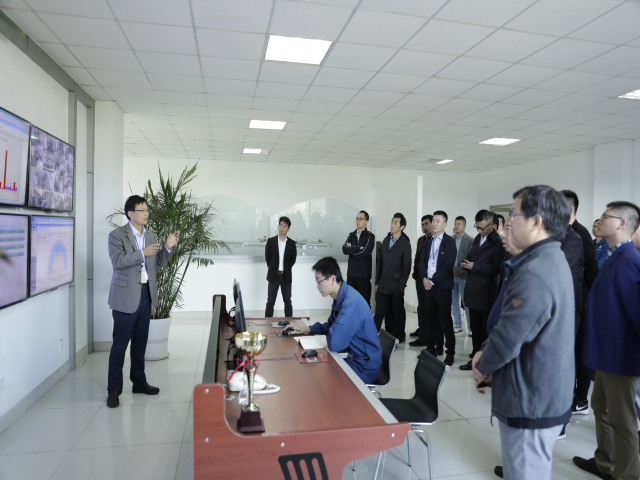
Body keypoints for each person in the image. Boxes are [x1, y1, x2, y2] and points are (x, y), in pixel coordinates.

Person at [473, 185, 574, 480]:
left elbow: (509, 337)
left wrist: (482, 364)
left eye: (513, 215)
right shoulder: (548, 259)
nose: (508, 223)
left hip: (531, 400)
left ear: (535, 221)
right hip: (539, 392)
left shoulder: (535, 271)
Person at [573, 201, 640, 480]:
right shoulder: (615, 254)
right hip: (604, 352)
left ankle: (627, 475)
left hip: (620, 356)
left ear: (622, 223)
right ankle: (605, 463)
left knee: (622, 421)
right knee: (600, 407)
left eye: (605, 216)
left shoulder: (629, 260)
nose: (599, 220)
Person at [107, 195, 179, 409]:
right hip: (125, 297)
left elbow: (157, 262)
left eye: (147, 210)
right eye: (142, 210)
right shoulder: (116, 235)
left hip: (146, 295)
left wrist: (167, 247)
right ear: (131, 213)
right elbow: (117, 261)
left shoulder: (151, 235)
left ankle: (139, 383)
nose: (147, 213)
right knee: (120, 346)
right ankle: (113, 390)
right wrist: (141, 253)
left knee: (140, 344)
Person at [283, 257, 382, 383]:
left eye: (319, 281)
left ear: (332, 279)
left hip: (363, 365)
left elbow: (335, 343)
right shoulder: (342, 296)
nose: (317, 286)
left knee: (317, 378)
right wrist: (305, 329)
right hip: (352, 357)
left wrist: (331, 334)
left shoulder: (350, 303)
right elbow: (331, 325)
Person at [561, 190, 599, 415]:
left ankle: (581, 398)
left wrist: (588, 303)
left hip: (580, 302)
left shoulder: (579, 233)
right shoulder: (561, 232)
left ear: (570, 209)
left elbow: (592, 272)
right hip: (570, 301)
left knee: (579, 350)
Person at [459, 210, 505, 371]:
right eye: (477, 227)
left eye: (482, 228)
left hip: (486, 292)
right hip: (473, 290)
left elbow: (497, 268)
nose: (479, 231)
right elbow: (472, 256)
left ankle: (485, 361)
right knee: (475, 329)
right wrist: (467, 262)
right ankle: (475, 357)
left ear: (492, 225)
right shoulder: (478, 238)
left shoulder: (498, 243)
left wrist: (475, 266)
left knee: (486, 330)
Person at [411, 211, 457, 366]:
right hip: (428, 286)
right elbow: (422, 260)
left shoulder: (450, 242)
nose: (434, 223)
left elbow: (448, 265)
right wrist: (424, 278)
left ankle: (450, 352)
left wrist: (433, 280)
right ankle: (431, 349)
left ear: (445, 224)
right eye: (433, 221)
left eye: (438, 221)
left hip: (442, 287)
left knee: (445, 320)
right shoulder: (428, 241)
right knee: (430, 319)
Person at [374, 213, 412, 343]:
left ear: (402, 227)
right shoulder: (386, 240)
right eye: (392, 222)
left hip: (396, 285)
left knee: (396, 313)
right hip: (383, 283)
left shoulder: (405, 244)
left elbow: (406, 267)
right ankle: (372, 336)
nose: (392, 224)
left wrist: (401, 286)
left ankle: (396, 337)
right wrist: (377, 282)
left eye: (396, 223)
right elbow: (380, 263)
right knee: (380, 312)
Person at [411, 215, 441, 348]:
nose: (424, 227)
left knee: (431, 310)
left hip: (432, 280)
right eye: (422, 225)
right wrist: (416, 272)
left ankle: (430, 337)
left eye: (426, 224)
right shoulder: (421, 240)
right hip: (420, 278)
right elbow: (417, 258)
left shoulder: (437, 240)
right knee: (421, 307)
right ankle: (422, 332)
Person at [265, 216, 297, 318]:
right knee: (270, 302)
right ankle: (267, 323)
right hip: (273, 275)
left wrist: (285, 269)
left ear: (288, 229)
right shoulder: (271, 241)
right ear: (278, 226)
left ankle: (289, 323)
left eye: (285, 226)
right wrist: (273, 268)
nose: (282, 228)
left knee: (287, 301)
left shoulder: (292, 243)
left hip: (285, 276)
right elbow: (268, 258)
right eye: (281, 225)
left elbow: (293, 260)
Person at [342, 210, 375, 306]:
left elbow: (365, 252)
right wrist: (358, 248)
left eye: (360, 219)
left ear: (366, 221)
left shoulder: (370, 236)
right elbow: (344, 249)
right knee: (350, 302)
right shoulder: (351, 235)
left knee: (363, 303)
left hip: (363, 276)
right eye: (357, 218)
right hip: (351, 275)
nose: (358, 221)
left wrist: (351, 250)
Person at [451, 216, 473, 334]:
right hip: (451, 275)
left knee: (466, 302)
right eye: (455, 224)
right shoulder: (450, 239)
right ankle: (458, 324)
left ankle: (470, 327)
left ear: (464, 226)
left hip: (463, 275)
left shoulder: (470, 240)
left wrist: (459, 270)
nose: (456, 226)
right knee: (454, 301)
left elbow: (470, 257)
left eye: (459, 224)